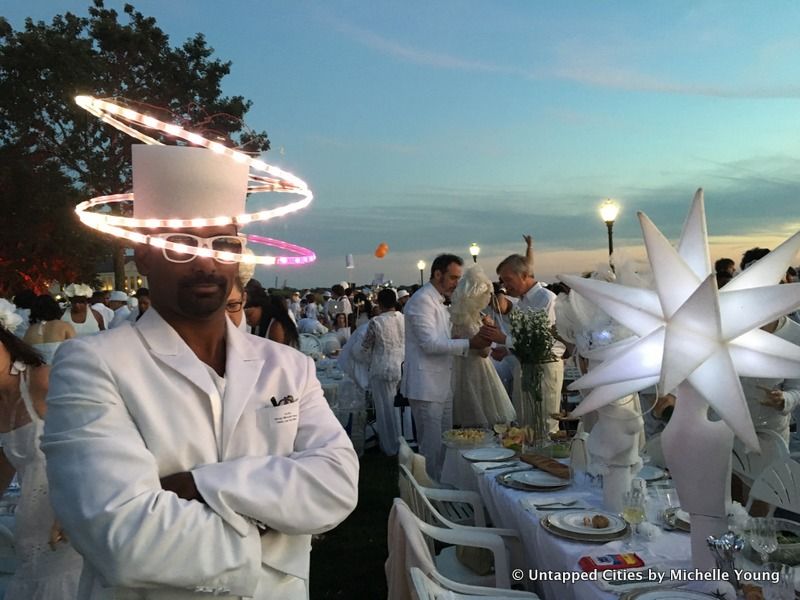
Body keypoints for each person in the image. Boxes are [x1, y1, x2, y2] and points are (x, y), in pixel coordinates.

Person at [42, 144, 358, 599]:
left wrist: (200, 484)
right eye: (182, 244)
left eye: (223, 244)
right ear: (143, 254)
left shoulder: (287, 366)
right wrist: (279, 537)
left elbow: (337, 484)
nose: (207, 262)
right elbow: (125, 541)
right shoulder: (93, 366)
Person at [0, 299, 84, 599]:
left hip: (70, 508)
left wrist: (71, 510)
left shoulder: (43, 379)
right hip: (31, 519)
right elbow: (7, 463)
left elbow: (91, 442)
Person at [400, 254, 492, 479]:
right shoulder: (422, 300)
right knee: (431, 448)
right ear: (437, 274)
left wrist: (477, 327)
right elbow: (429, 344)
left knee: (446, 442)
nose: (456, 283)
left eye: (458, 278)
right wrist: (470, 343)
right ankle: (429, 494)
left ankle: (444, 486)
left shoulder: (439, 300)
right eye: (452, 277)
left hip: (443, 383)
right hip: (426, 386)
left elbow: (448, 335)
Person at [484, 253, 567, 433]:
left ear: (524, 275)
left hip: (545, 367)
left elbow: (542, 340)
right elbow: (524, 339)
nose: (506, 286)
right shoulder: (521, 302)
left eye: (508, 280)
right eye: (502, 281)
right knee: (524, 422)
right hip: (524, 366)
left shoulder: (546, 299)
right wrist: (507, 350)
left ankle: (547, 460)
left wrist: (503, 339)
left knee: (544, 421)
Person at [449, 266, 515, 428]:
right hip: (478, 370)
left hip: (459, 370)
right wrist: (489, 331)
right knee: (484, 416)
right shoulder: (474, 321)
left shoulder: (455, 317)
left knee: (466, 417)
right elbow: (484, 352)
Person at [362, 288, 404, 455]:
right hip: (402, 365)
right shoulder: (404, 318)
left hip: (383, 367)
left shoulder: (376, 322)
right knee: (402, 408)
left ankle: (390, 446)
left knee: (385, 408)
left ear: (379, 303)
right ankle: (404, 439)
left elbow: (365, 346)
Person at [22, 295, 76, 364]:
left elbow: (26, 355)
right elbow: (75, 350)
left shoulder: (29, 331)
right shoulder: (64, 326)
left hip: (39, 372)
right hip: (60, 369)